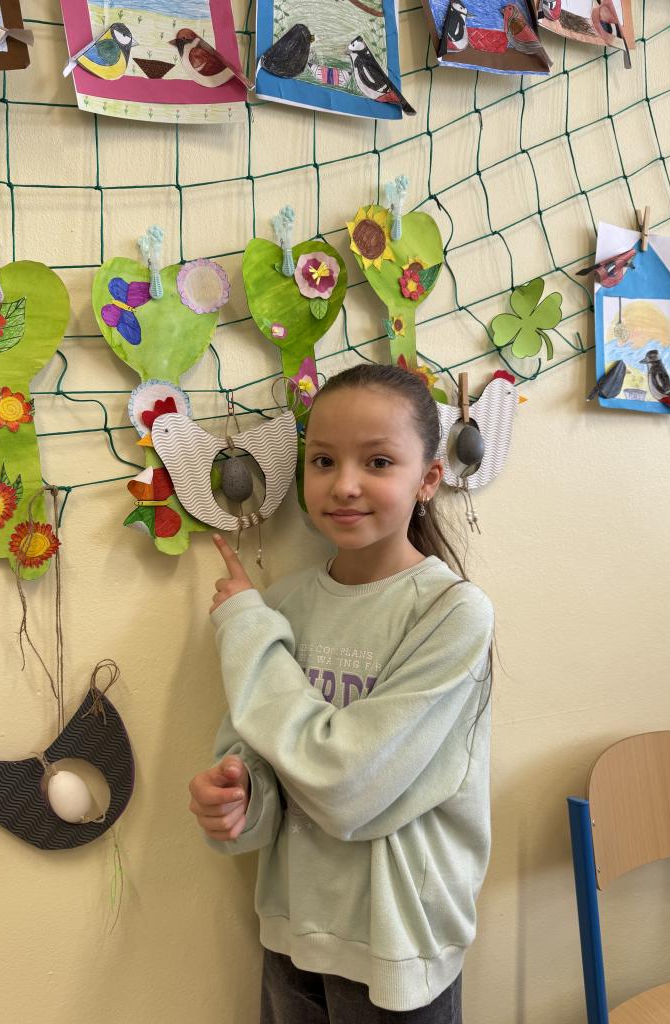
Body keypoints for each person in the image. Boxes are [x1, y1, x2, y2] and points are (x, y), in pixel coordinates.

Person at [188, 362, 494, 1023]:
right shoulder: (283, 605)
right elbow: (260, 753)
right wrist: (239, 797)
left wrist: (243, 626)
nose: (344, 484)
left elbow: (348, 784)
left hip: (395, 942)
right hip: (292, 927)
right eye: (323, 460)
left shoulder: (451, 613)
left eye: (378, 461)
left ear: (428, 479)